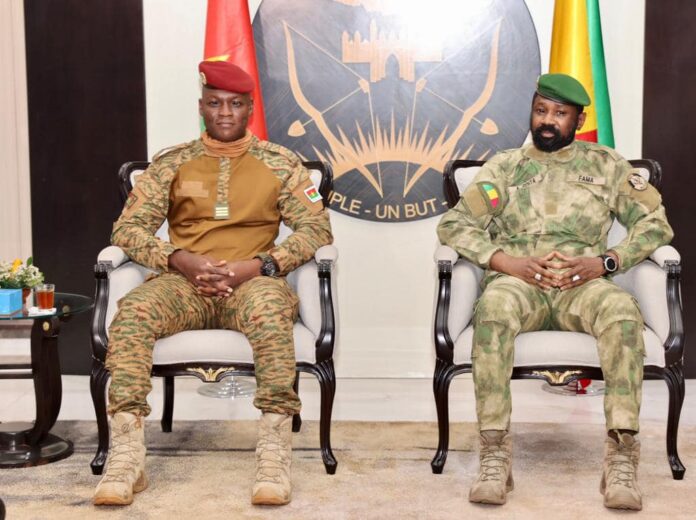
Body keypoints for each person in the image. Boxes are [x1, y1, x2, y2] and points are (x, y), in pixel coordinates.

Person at [93, 59, 332, 507]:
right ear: (201, 107)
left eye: (235, 104)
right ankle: (126, 457)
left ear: (250, 109)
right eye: (215, 103)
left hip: (253, 282)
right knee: (134, 313)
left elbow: (316, 230)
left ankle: (273, 455)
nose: (225, 113)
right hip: (184, 284)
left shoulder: (281, 163)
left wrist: (260, 265)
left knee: (270, 313)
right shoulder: (173, 163)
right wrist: (178, 259)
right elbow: (127, 230)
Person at [437, 73, 673, 511]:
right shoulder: (506, 168)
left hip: (584, 284)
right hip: (519, 282)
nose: (547, 121)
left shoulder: (606, 165)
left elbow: (655, 224)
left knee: (623, 314)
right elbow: (454, 224)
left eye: (560, 113)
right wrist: (506, 262)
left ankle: (621, 458)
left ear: (578, 120)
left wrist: (606, 262)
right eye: (541, 111)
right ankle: (494, 455)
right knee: (493, 311)